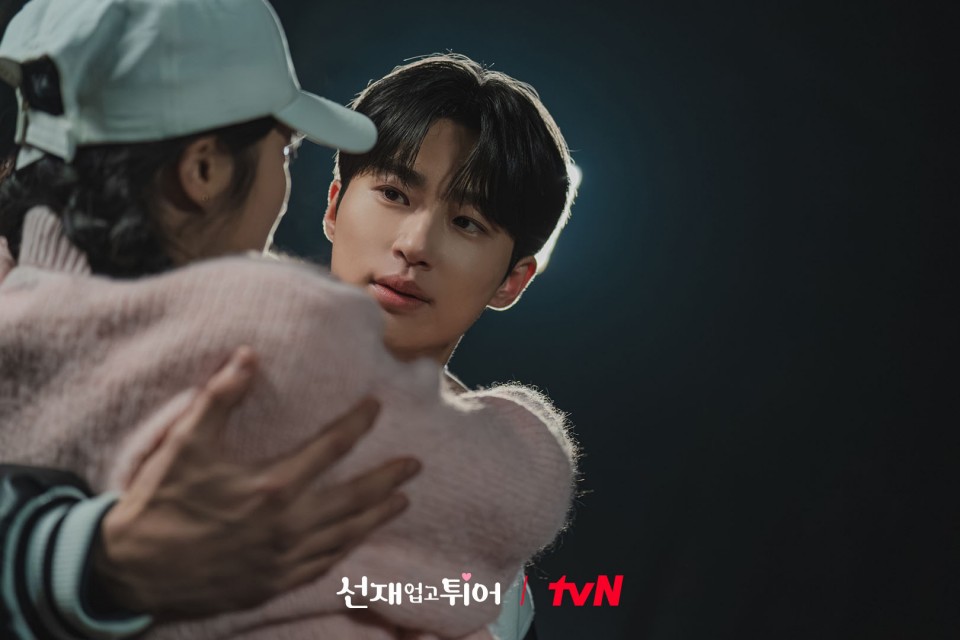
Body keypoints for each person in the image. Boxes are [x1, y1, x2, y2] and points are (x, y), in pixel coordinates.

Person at [0, 1, 575, 639]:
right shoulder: (196, 340)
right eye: (393, 194)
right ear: (333, 204)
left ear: (514, 279)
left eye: (467, 222)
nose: (415, 244)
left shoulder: (493, 569)